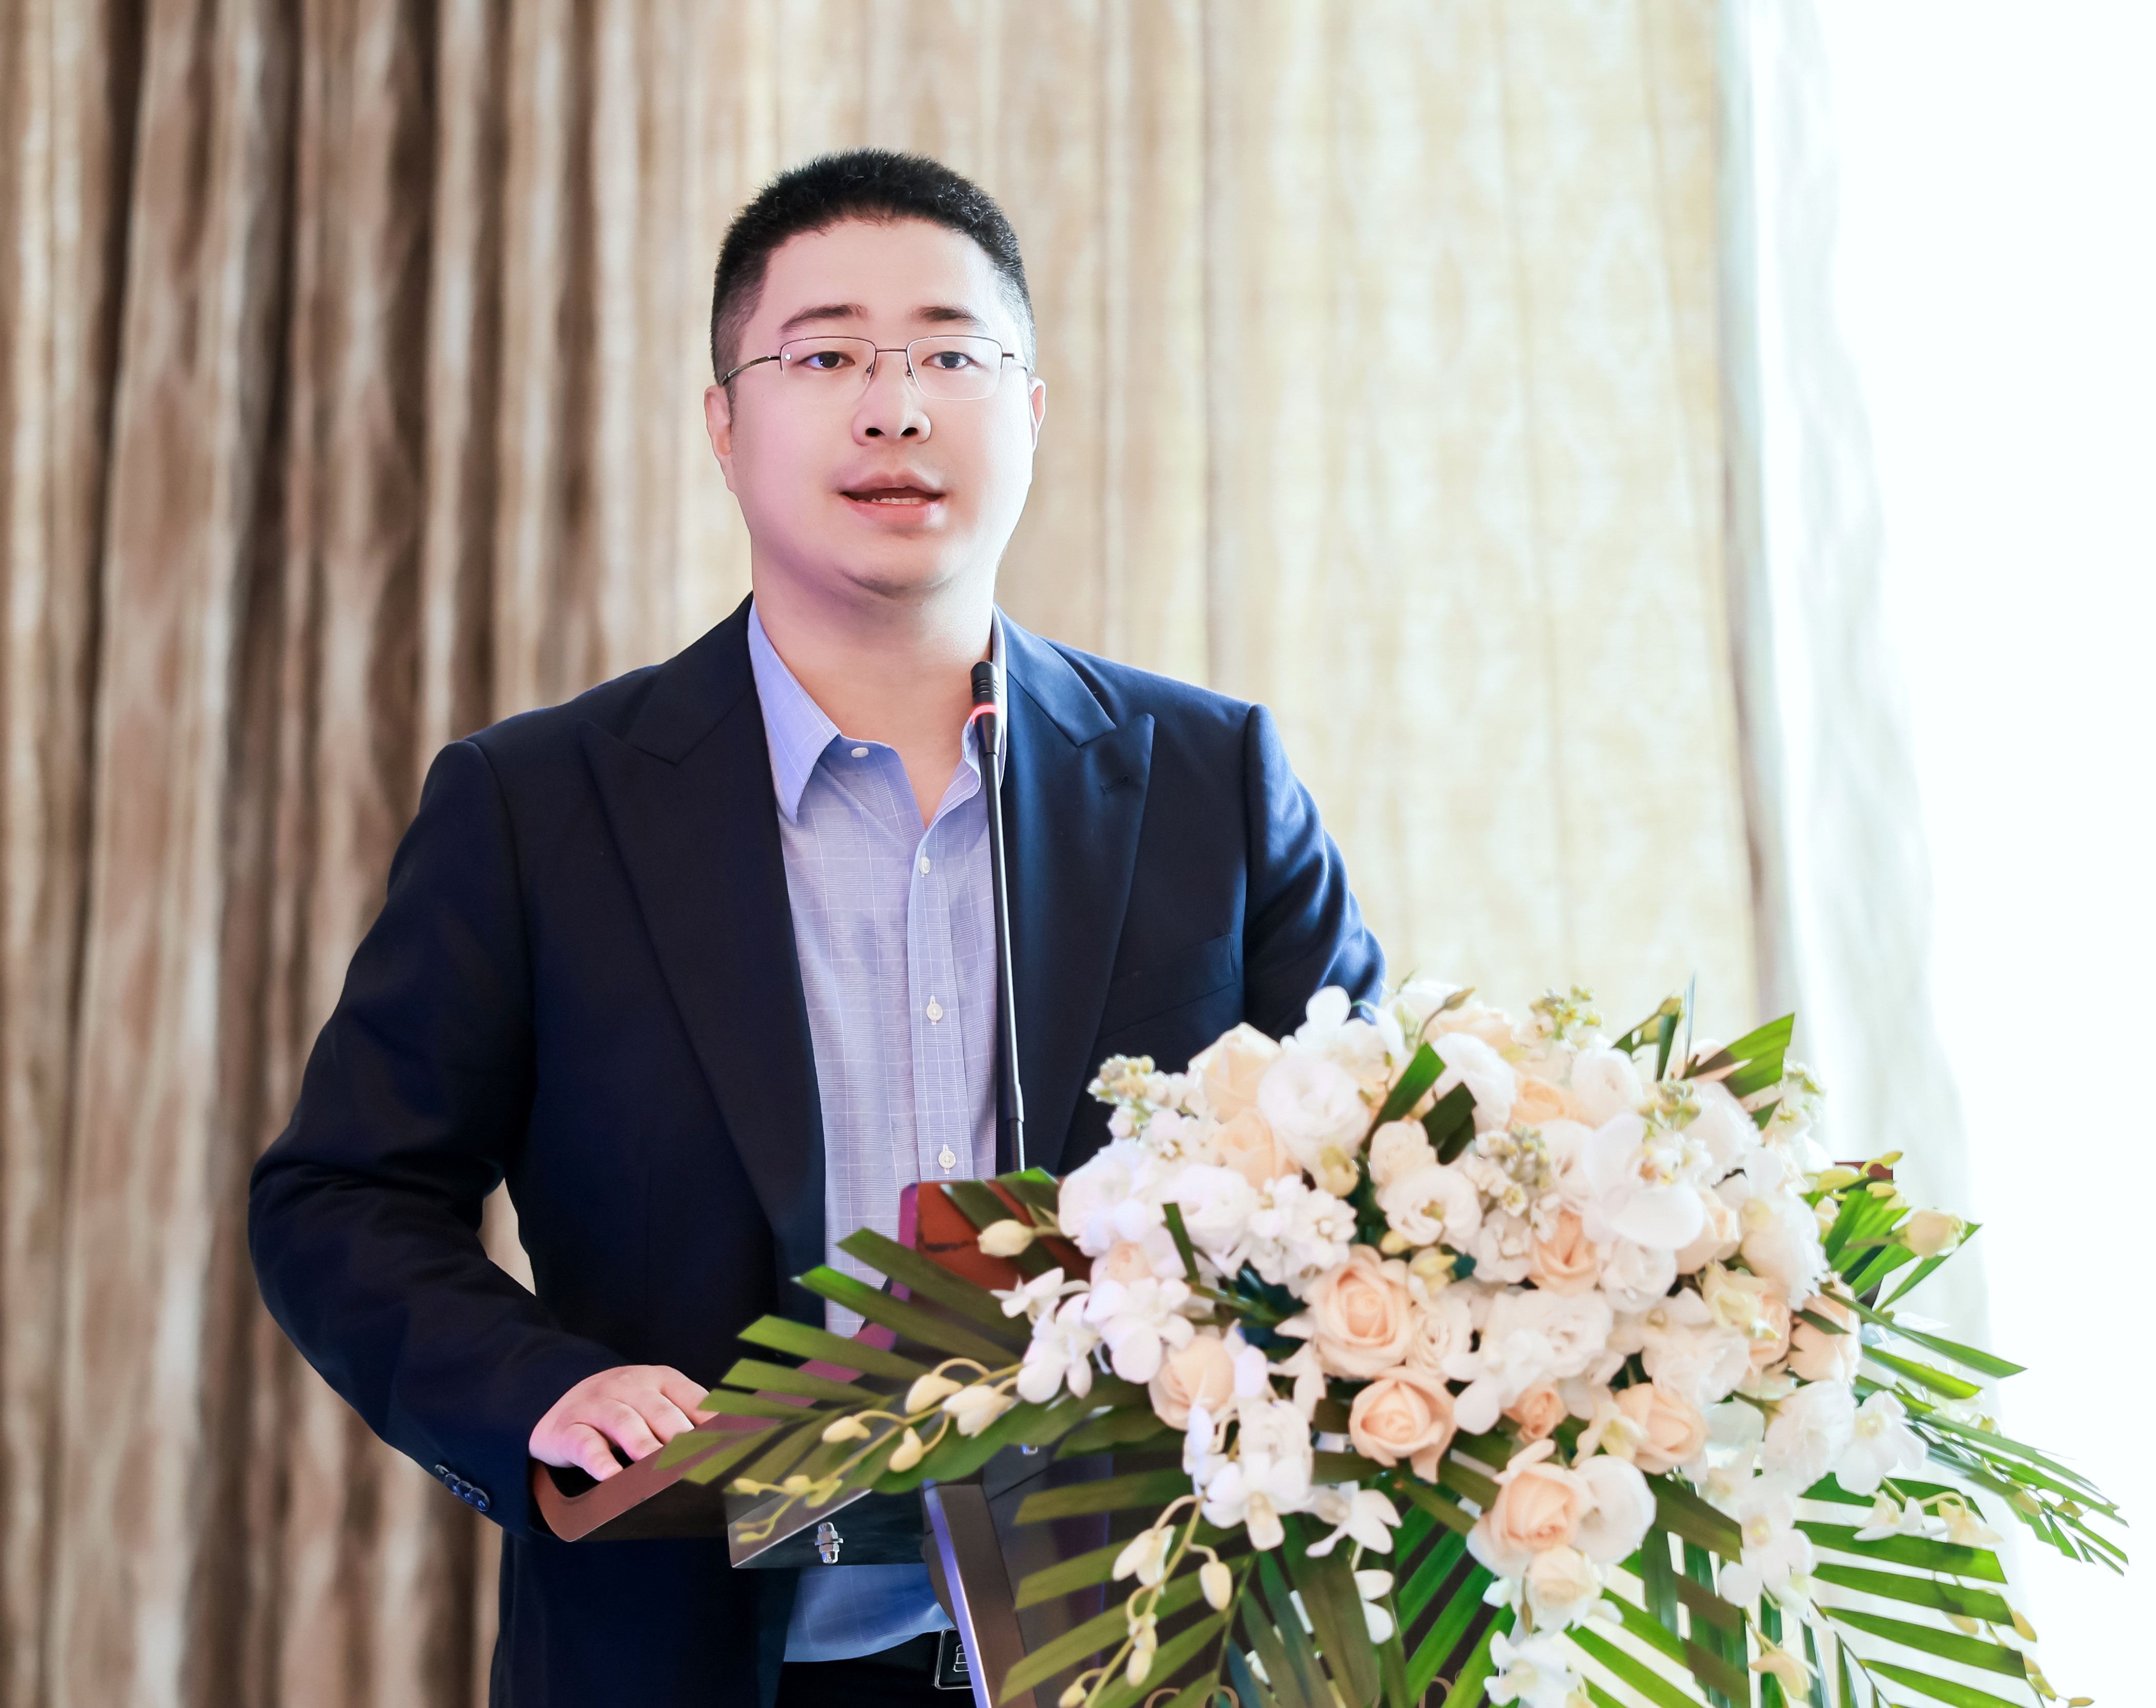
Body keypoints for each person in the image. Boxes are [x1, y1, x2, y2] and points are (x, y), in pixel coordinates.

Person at [247, 149, 1382, 1708]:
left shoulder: (1213, 783)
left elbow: (1363, 1178)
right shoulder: (539, 804)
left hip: (1139, 1653)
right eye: (828, 355)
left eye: (951, 357)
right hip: (696, 1657)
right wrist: (542, 1390)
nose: (895, 409)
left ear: (1032, 412)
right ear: (725, 427)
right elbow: (342, 1198)